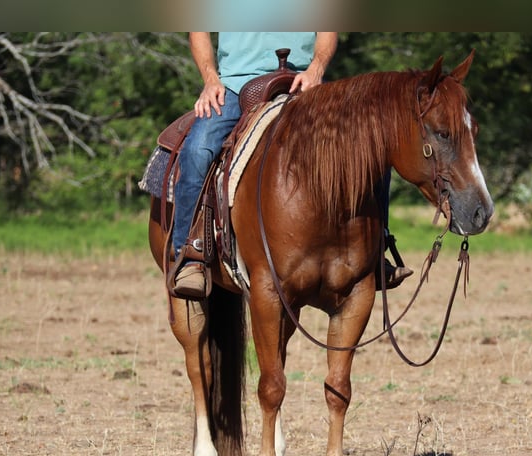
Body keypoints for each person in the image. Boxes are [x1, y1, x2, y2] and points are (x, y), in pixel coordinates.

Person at [168, 32, 412, 298]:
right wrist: (210, 80)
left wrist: (315, 70)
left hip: (302, 83)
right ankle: (191, 254)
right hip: (236, 87)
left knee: (369, 145)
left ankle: (377, 249)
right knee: (197, 151)